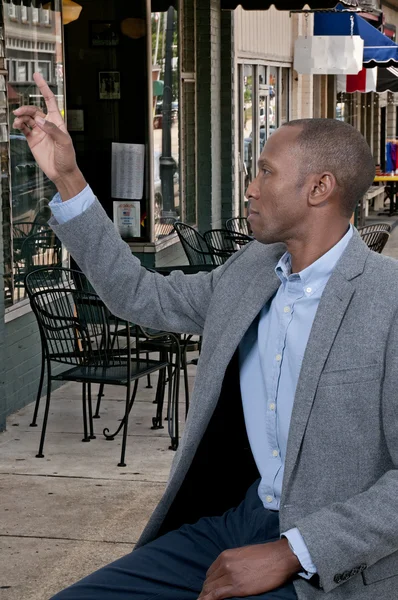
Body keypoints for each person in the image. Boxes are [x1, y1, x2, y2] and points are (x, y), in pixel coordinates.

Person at [13, 73, 398, 600]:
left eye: (265, 171)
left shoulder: (388, 301)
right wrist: (68, 178)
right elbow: (137, 295)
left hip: (335, 560)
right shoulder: (250, 273)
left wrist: (294, 551)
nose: (250, 187)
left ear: (319, 187)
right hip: (237, 521)